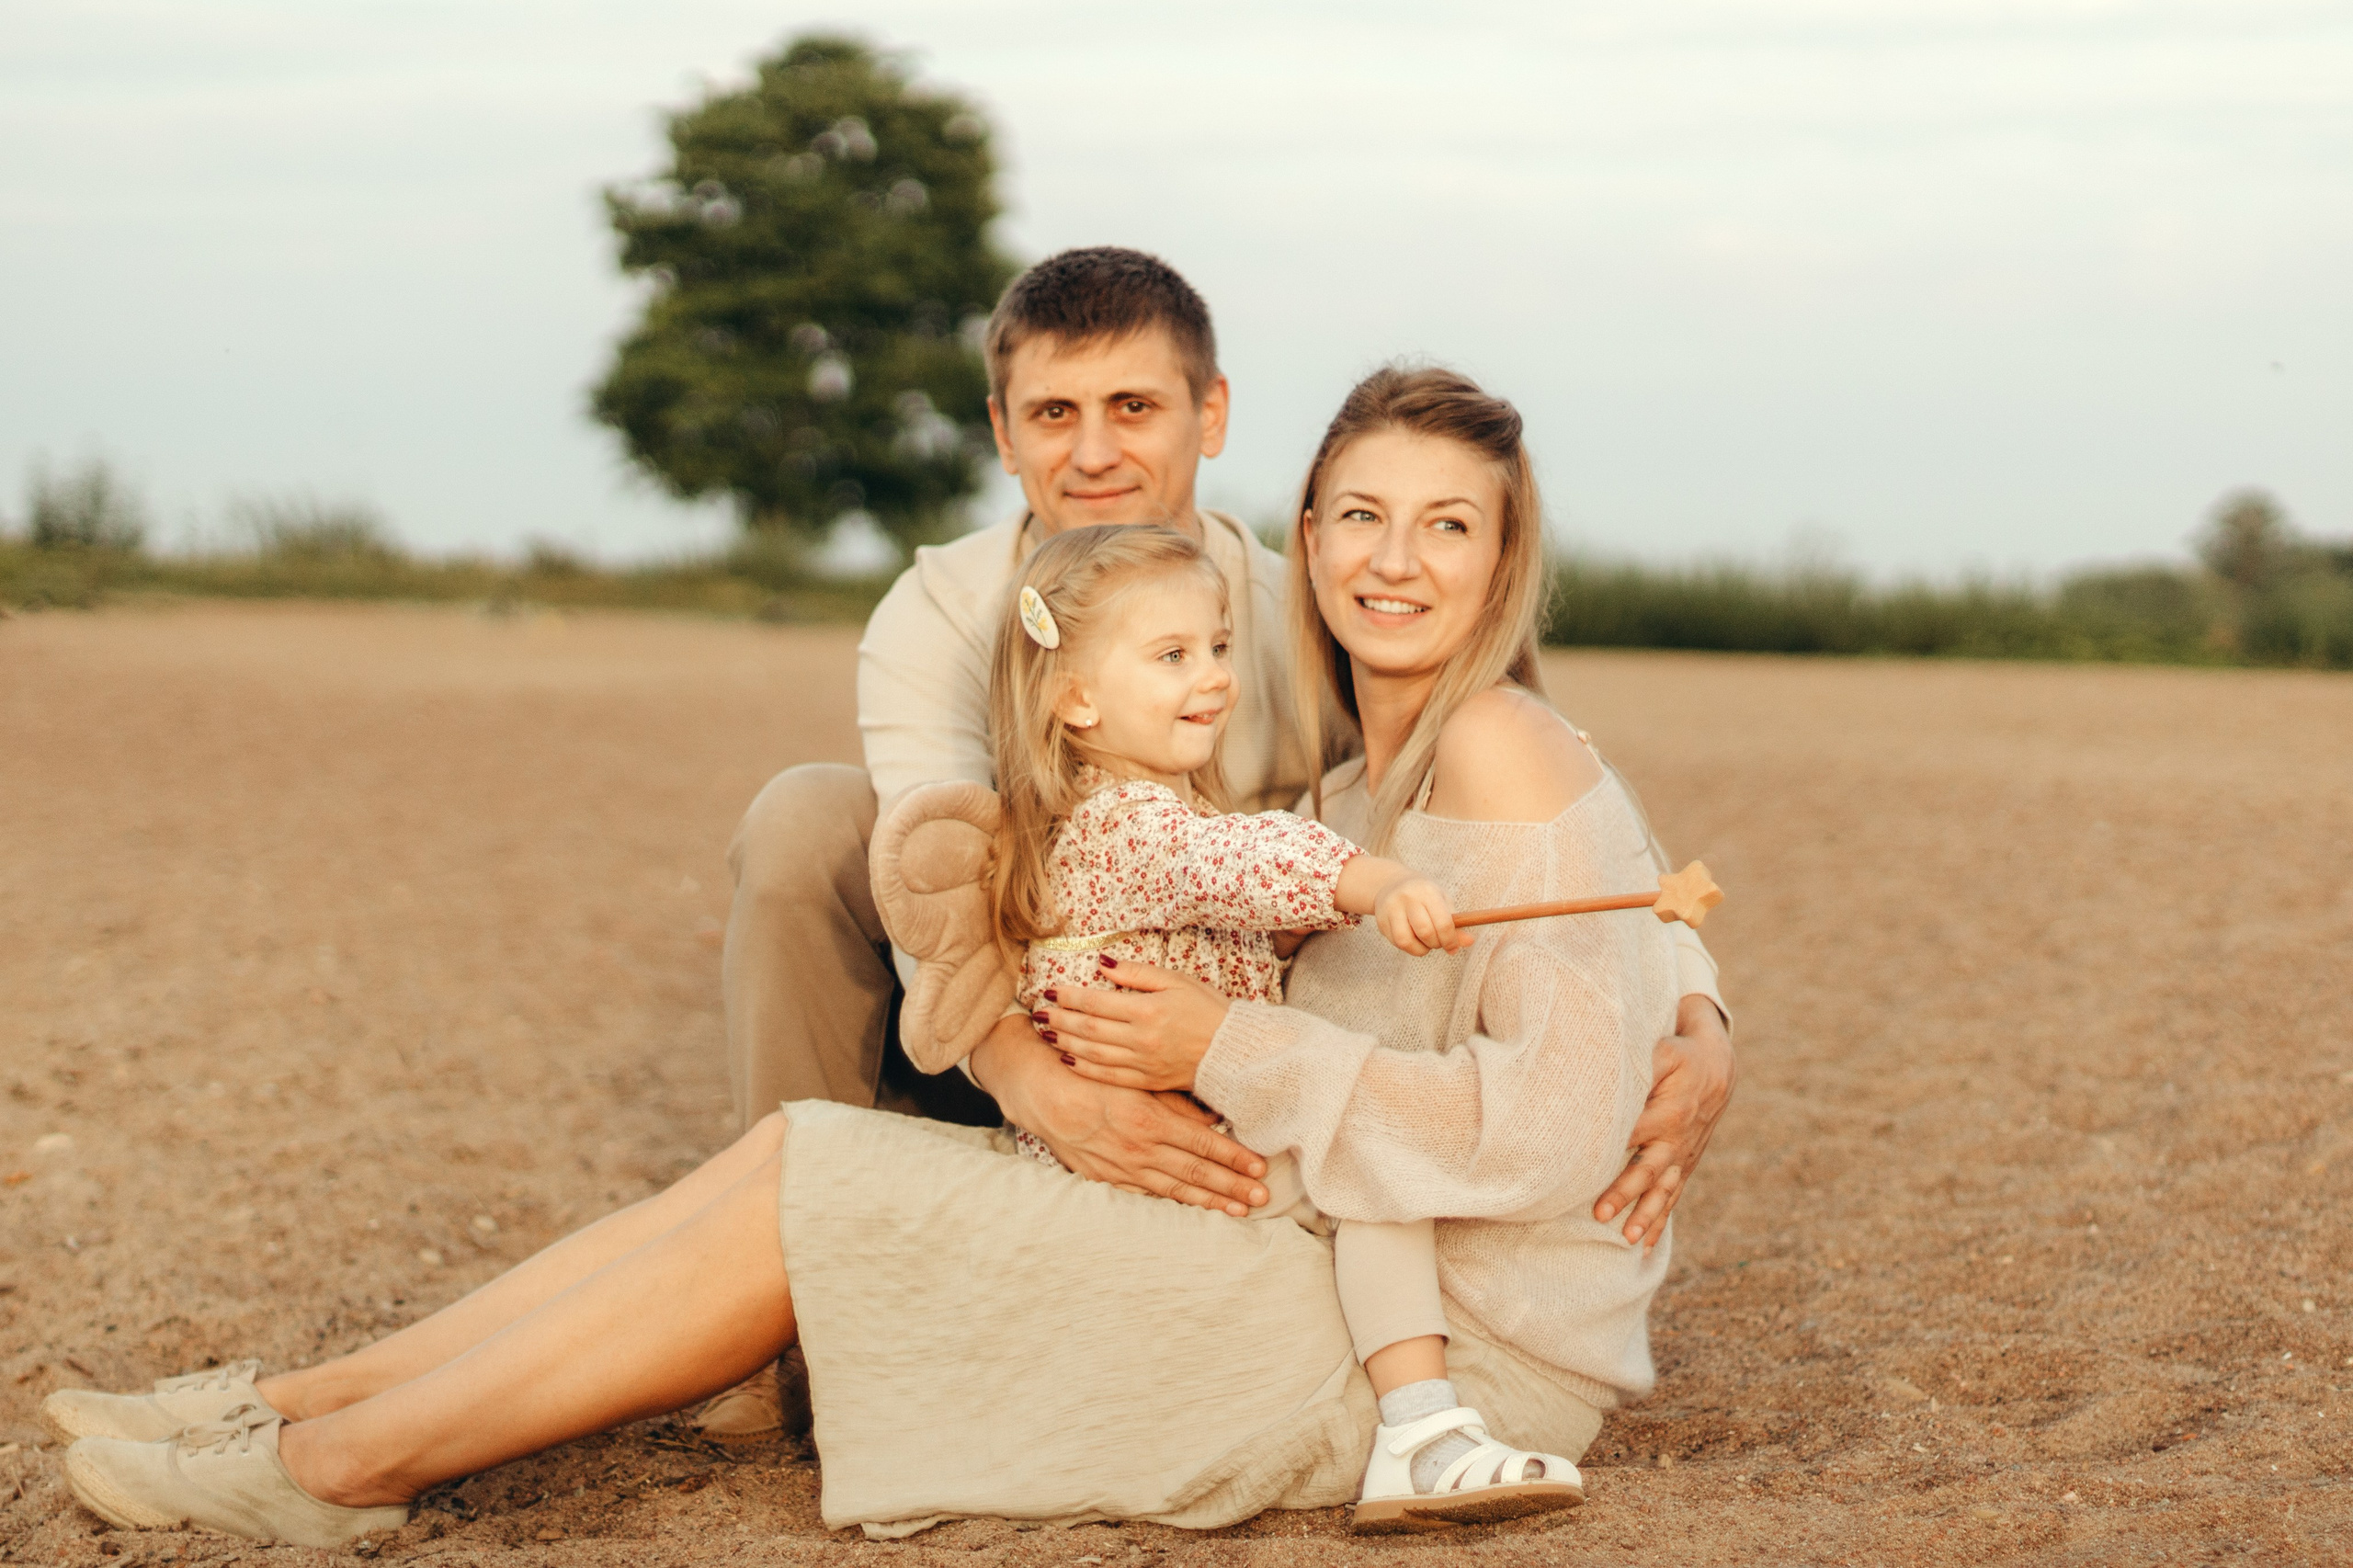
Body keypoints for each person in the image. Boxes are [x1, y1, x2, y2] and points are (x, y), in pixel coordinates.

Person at [50, 364, 1692, 1546]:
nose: (1395, 560)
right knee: (795, 1146)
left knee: (824, 1185)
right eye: (1363, 515)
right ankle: (299, 1403)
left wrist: (1222, 1045)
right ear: (1306, 534)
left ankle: (338, 1471)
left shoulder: (1497, 744)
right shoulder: (1338, 777)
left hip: (1428, 1348)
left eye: (1448, 526)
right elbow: (1599, 915)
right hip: (1299, 1232)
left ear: (1504, 559)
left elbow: (1552, 1112)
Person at [707, 246, 1735, 1438]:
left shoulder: (1307, 607)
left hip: (1222, 1075)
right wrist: (1041, 1088)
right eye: (1054, 413)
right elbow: (942, 884)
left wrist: (1700, 1013)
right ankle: (784, 1320)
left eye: (1133, 407)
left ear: (1211, 414)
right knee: (811, 816)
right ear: (1002, 432)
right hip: (1008, 1038)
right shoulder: (938, 611)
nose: (1095, 452)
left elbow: (1557, 806)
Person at [926, 517, 1590, 1527]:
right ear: (1076, 699)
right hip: (1175, 1145)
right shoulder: (1131, 825)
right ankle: (1421, 1433)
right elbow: (1242, 859)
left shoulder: (1094, 819)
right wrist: (1373, 882)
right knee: (1376, 1164)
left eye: (1219, 645)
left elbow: (1219, 903)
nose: (1213, 677)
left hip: (1161, 1132)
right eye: (1172, 655)